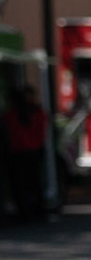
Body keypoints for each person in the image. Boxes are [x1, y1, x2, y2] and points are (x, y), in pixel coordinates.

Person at [4, 80, 48, 220]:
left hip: (20, 152)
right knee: (33, 183)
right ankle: (35, 210)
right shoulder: (35, 112)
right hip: (31, 150)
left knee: (22, 184)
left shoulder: (12, 115)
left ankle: (28, 211)